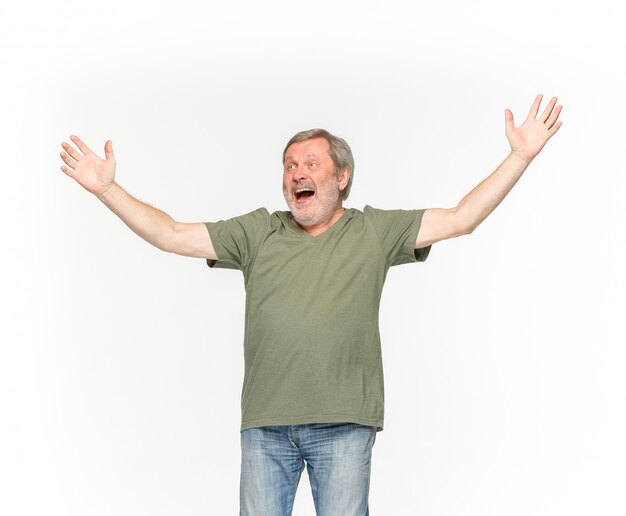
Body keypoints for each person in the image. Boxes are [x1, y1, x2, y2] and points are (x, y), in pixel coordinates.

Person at [60, 94, 562, 516]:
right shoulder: (258, 231)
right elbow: (169, 234)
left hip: (344, 424)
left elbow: (461, 218)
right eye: (289, 165)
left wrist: (520, 157)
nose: (297, 173)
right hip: (265, 427)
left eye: (310, 164)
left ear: (340, 177)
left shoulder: (374, 230)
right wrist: (107, 189)